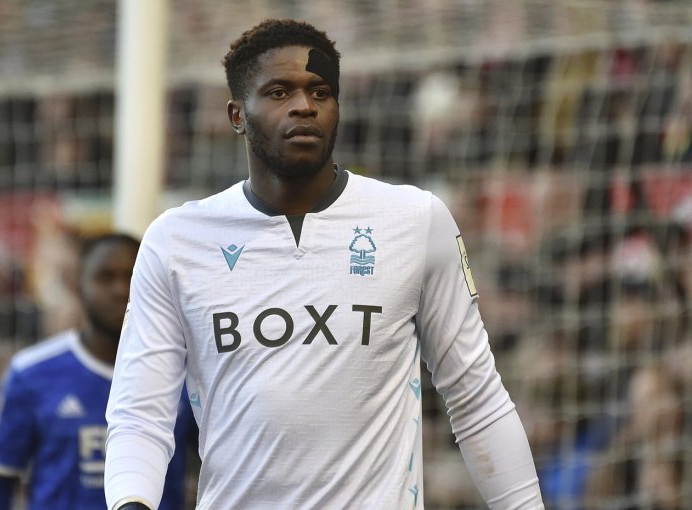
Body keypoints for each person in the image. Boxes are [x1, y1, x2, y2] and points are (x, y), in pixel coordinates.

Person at [105, 19, 543, 510]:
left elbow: (477, 399)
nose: (304, 105)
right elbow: (140, 415)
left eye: (320, 92)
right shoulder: (176, 240)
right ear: (237, 115)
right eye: (278, 92)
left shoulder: (416, 220)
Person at [0, 233, 198, 510]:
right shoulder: (30, 374)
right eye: (105, 277)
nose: (119, 290)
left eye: (130, 277)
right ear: (78, 285)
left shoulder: (185, 374)